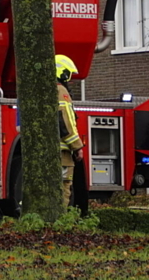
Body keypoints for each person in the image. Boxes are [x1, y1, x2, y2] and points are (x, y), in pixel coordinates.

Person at [55, 55, 85, 208]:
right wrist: (77, 146)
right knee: (64, 187)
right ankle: (60, 223)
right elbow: (65, 121)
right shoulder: (60, 91)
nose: (70, 80)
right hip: (62, 153)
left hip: (50, 151)